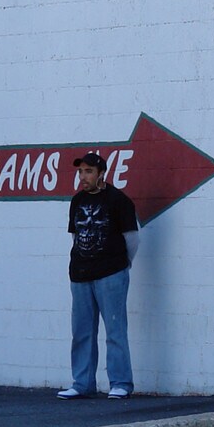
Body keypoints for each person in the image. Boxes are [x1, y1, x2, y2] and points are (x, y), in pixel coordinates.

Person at [61, 151, 139, 399]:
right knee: (82, 331)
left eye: (88, 172)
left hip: (111, 274)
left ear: (101, 174)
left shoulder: (119, 200)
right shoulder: (76, 201)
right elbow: (75, 236)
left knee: (115, 330)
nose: (83, 177)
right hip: (80, 274)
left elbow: (132, 239)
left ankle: (121, 383)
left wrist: (123, 264)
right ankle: (82, 383)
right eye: (81, 172)